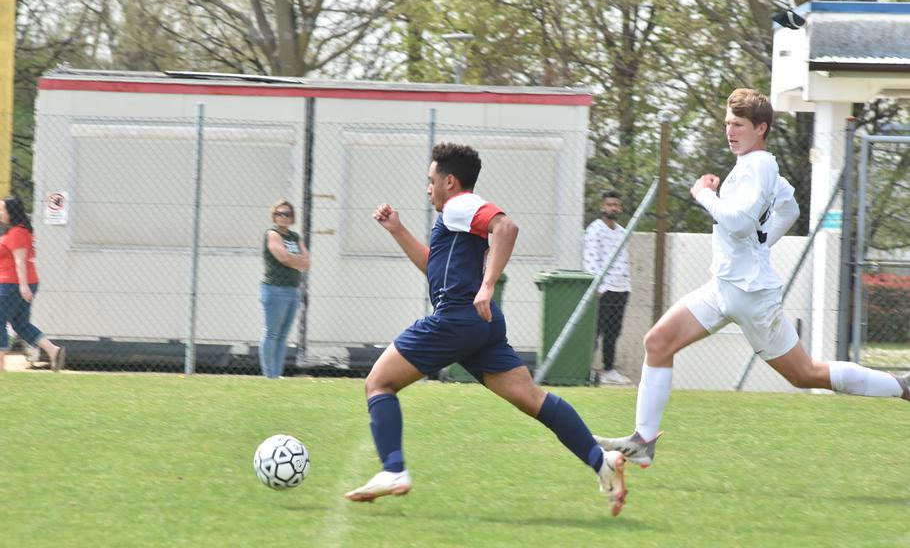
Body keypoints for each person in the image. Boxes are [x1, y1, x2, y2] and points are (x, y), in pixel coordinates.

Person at [597, 88, 910, 468]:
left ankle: (901, 385)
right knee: (658, 341)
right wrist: (764, 241)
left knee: (805, 374)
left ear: (761, 128)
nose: (730, 131)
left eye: (739, 125)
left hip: (751, 295)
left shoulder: (759, 165)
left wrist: (703, 195)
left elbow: (741, 222)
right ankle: (644, 441)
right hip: (724, 286)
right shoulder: (752, 163)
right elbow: (789, 207)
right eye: (728, 123)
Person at [344, 142, 629, 516]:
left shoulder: (460, 204)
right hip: (481, 325)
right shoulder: (457, 216)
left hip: (456, 319)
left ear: (450, 180)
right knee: (533, 399)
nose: (427, 188)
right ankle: (600, 461)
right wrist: (397, 230)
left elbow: (506, 227)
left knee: (378, 383)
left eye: (431, 181)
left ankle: (393, 470)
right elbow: (434, 266)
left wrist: (489, 282)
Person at [0, 195, 65, 372]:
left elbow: (20, 261)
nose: (0, 212)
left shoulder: (17, 233)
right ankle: (53, 350)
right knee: (20, 324)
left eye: (2, 209)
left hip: (13, 284)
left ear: (11, 212)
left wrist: (23, 286)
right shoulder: (17, 231)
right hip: (18, 283)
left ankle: (1, 366)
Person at [583, 191, 632, 385]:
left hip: (622, 288)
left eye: (616, 205)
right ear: (603, 207)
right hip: (604, 290)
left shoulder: (622, 231)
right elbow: (590, 259)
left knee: (614, 332)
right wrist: (598, 287)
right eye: (609, 204)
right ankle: (585, 369)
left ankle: (609, 369)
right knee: (596, 331)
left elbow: (624, 259)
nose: (613, 208)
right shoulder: (594, 230)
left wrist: (627, 285)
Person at [259, 200, 309, 379]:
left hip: (292, 290)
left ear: (292, 217)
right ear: (274, 216)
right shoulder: (272, 234)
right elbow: (283, 257)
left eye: (287, 214)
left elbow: (307, 262)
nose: (283, 217)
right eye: (279, 214)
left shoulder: (295, 237)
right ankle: (269, 374)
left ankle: (277, 373)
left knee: (283, 335)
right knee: (271, 332)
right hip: (274, 289)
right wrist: (296, 260)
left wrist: (293, 259)